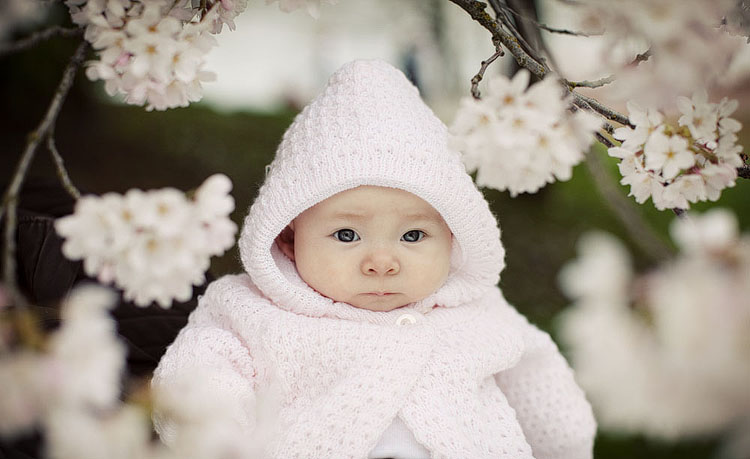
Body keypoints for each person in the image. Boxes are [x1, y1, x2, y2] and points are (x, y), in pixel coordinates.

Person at [152, 59, 596, 459]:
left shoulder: (478, 311)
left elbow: (540, 379)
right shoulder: (248, 309)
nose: (382, 262)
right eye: (346, 234)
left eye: (413, 234)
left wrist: (567, 445)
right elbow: (197, 380)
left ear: (453, 237)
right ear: (289, 237)